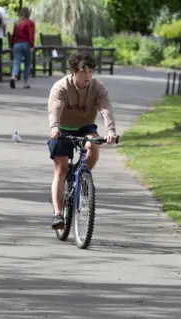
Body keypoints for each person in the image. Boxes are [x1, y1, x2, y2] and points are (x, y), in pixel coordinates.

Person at [46, 51, 118, 229]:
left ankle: (81, 176)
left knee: (93, 146)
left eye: (91, 71)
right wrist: (54, 127)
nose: (87, 76)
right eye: (83, 72)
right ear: (73, 71)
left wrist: (111, 131)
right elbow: (55, 108)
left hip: (85, 127)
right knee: (61, 169)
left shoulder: (98, 87)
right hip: (62, 129)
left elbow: (105, 108)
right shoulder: (61, 87)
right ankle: (57, 214)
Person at [10, 6, 35, 90]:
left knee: (16, 62)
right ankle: (25, 83)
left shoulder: (17, 22)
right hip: (26, 44)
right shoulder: (30, 23)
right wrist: (32, 46)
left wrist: (12, 45)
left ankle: (13, 77)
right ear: (28, 13)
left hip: (16, 44)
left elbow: (13, 35)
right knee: (27, 64)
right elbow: (31, 35)